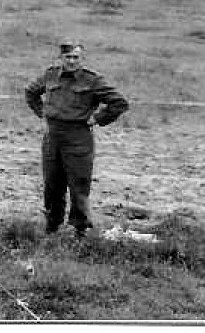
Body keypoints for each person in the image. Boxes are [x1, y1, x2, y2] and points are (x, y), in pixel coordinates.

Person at [24, 39, 129, 236]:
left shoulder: (93, 80)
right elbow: (30, 92)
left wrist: (97, 119)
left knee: (79, 185)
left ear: (82, 58)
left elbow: (120, 103)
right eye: (68, 57)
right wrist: (43, 114)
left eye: (76, 57)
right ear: (60, 57)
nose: (72, 61)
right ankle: (52, 227)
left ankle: (80, 231)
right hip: (52, 137)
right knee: (52, 185)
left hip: (78, 138)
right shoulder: (50, 75)